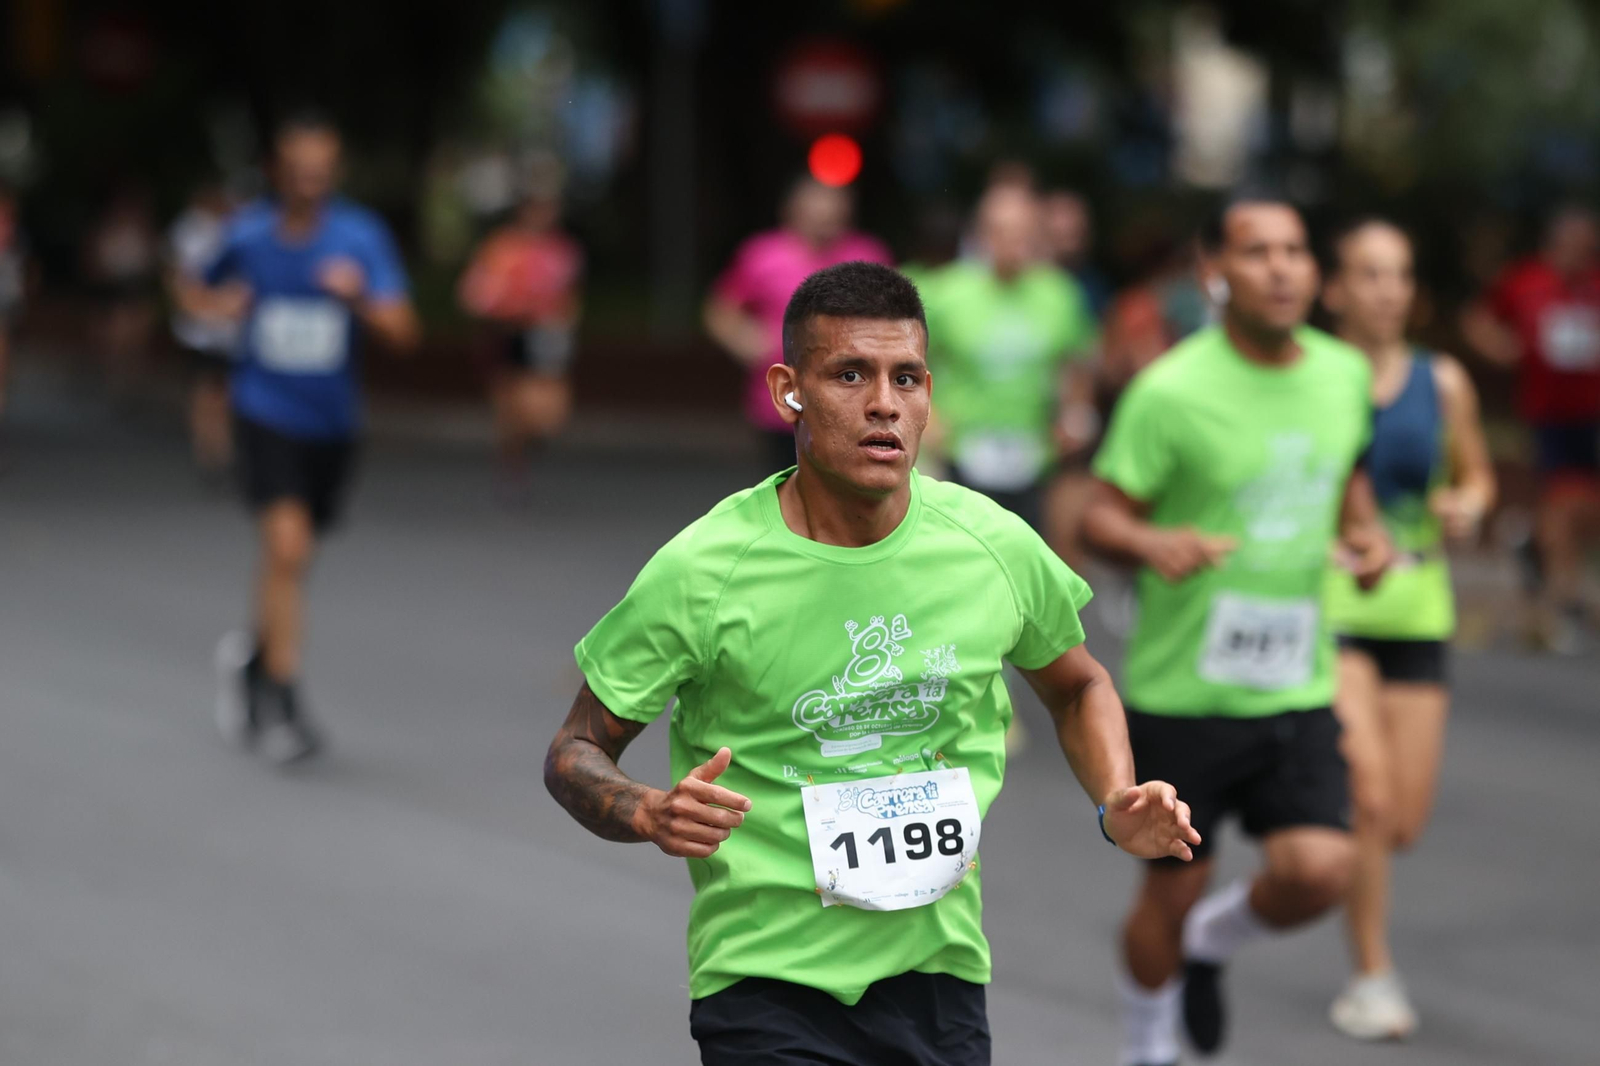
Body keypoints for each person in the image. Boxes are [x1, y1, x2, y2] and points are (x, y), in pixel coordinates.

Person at [547, 261, 1200, 1066]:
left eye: (907, 378)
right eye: (850, 374)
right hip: (764, 981)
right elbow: (575, 750)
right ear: (790, 390)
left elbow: (1078, 684)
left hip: (939, 975)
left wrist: (1115, 799)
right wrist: (644, 811)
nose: (884, 402)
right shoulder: (703, 571)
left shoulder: (989, 545)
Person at [1082, 194, 1392, 1065]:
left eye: (1296, 250)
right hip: (1187, 693)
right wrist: (1153, 540)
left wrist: (1365, 539)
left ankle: (1214, 945)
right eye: (1258, 253)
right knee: (1168, 901)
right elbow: (1099, 518)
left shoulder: (1340, 375)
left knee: (1320, 872)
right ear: (1214, 272)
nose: (1283, 268)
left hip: (1295, 679)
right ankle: (1149, 1045)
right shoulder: (1170, 390)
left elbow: (1347, 481)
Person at [178, 112, 420, 763]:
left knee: (295, 560)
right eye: (298, 169)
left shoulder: (360, 237)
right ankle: (283, 701)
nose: (310, 181)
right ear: (279, 173)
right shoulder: (248, 232)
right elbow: (189, 285)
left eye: (322, 169)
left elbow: (404, 332)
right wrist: (215, 307)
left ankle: (253, 658)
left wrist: (358, 298)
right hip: (262, 409)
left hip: (333, 424)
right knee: (286, 548)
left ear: (334, 173)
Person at [1320, 219, 1496, 1040]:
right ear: (1337, 289)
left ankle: (1317, 858)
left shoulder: (1445, 379)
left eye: (1400, 274)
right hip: (1332, 603)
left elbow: (1476, 474)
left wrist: (1466, 505)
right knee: (1369, 794)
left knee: (1404, 822)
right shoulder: (1312, 378)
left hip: (1419, 605)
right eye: (1369, 273)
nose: (1388, 289)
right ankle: (1372, 975)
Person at [920, 184, 1097, 538]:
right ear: (982, 233)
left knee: (1023, 563)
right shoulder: (945, 293)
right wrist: (929, 419)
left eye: (1023, 231)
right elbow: (910, 361)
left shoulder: (1058, 294)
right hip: (960, 452)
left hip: (1034, 455)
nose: (1012, 242)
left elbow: (1077, 363)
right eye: (1001, 230)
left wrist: (1075, 414)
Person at [1461, 205, 1600, 652]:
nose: (1582, 252)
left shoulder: (1595, 286)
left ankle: (1531, 547)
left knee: (1581, 510)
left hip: (1592, 414)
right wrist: (1505, 350)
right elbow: (1478, 320)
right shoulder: (1528, 281)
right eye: (1575, 243)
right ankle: (1563, 604)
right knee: (1564, 504)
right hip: (1547, 415)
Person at [703, 177, 892, 472]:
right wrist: (748, 341)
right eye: (818, 210)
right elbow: (720, 311)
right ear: (794, 210)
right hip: (783, 398)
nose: (826, 219)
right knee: (788, 481)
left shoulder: (867, 254)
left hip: (853, 398)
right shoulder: (763, 255)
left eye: (835, 211)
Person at [457, 163, 583, 498]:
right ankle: (512, 465)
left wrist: (563, 319)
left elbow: (569, 296)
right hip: (506, 334)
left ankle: (528, 444)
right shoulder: (502, 248)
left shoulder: (563, 250)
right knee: (510, 409)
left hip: (546, 338)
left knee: (549, 413)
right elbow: (474, 295)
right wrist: (508, 305)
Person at [167, 179, 240, 481]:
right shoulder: (188, 229)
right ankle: (208, 449)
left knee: (226, 392)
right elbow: (177, 277)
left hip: (233, 327)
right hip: (199, 328)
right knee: (204, 389)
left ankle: (223, 447)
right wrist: (192, 306)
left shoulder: (241, 227)